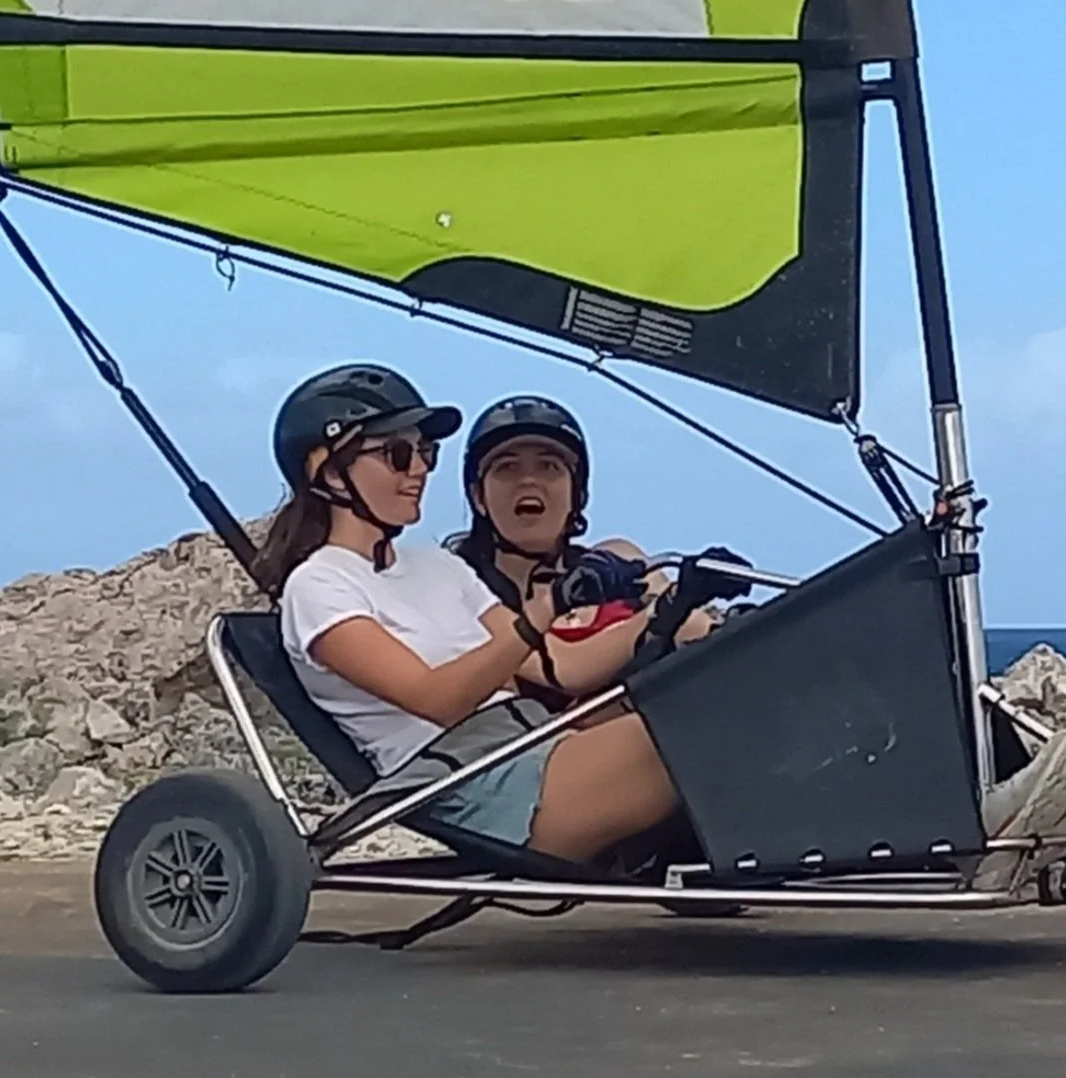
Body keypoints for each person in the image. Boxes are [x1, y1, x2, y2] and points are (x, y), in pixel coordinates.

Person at [256, 363, 1066, 886]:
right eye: (398, 455)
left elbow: (559, 674)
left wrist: (661, 609)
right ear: (327, 470)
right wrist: (544, 610)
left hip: (541, 742)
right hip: (484, 786)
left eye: (425, 455)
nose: (418, 471)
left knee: (762, 660)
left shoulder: (431, 569)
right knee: (733, 706)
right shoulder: (319, 588)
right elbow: (434, 698)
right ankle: (975, 831)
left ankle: (979, 807)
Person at [446, 395, 754, 711]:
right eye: (507, 467)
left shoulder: (616, 558)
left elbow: (690, 624)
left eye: (549, 466)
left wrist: (725, 614)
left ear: (577, 492)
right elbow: (564, 669)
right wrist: (671, 606)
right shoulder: (465, 590)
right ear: (478, 496)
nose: (528, 480)